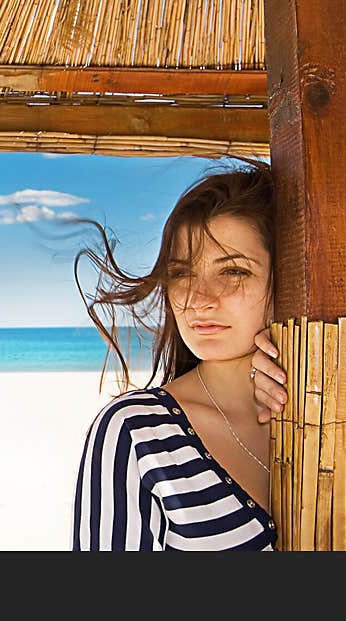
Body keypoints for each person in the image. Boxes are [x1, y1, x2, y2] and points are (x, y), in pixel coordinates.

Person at [70, 157, 290, 551]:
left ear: (285, 279)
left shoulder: (334, 411)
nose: (197, 299)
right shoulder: (138, 433)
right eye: (182, 273)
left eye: (233, 271)